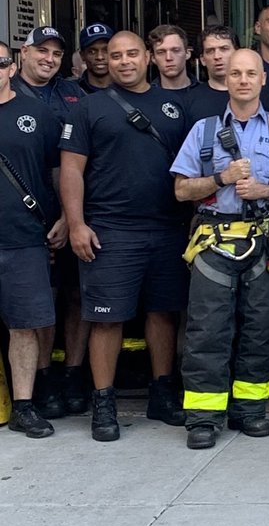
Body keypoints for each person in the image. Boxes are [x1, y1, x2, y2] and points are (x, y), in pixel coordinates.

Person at [171, 49, 269, 448]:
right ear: (226, 79)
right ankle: (202, 416)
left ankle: (250, 410)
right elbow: (182, 189)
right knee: (207, 329)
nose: (244, 80)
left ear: (263, 79)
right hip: (213, 241)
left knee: (262, 327)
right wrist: (222, 177)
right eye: (236, 74)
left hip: (265, 239)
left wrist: (266, 190)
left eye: (251, 73)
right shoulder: (203, 131)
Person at [59, 31, 192, 442]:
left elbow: (189, 169)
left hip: (168, 229)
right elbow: (70, 171)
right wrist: (77, 224)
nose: (123, 61)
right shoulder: (88, 108)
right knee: (107, 319)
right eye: (115, 56)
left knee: (163, 313)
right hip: (110, 231)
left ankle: (163, 393)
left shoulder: (173, 107)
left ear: (148, 57)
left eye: (132, 54)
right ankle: (103, 402)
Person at [11, 25, 87, 419]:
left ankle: (70, 376)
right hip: (23, 226)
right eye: (41, 51)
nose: (49, 59)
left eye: (56, 54)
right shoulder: (9, 93)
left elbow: (68, 165)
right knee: (38, 308)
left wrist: (68, 216)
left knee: (74, 297)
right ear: (22, 54)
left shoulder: (74, 93)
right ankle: (41, 380)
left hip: (62, 219)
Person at [0, 42, 68, 438]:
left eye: (1, 63)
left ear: (12, 68)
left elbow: (58, 169)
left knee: (24, 328)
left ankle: (25, 406)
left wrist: (64, 215)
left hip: (24, 237)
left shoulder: (37, 113)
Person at [186, 26, 239, 125]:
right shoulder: (189, 100)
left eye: (224, 49)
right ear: (202, 59)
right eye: (210, 51)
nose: (217, 56)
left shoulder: (256, 94)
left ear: (238, 53)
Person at [149, 24, 196, 92]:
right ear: (153, 58)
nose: (168, 58)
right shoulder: (145, 98)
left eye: (175, 50)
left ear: (187, 53)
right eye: (161, 52)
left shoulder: (206, 94)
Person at [77, 23, 114, 94]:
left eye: (106, 50)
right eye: (92, 51)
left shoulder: (128, 89)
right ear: (82, 55)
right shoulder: (71, 92)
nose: (100, 57)